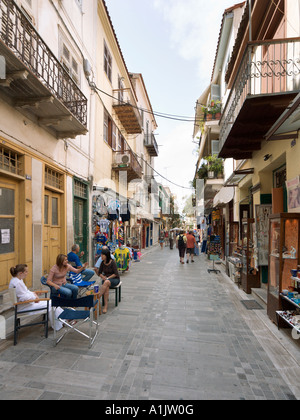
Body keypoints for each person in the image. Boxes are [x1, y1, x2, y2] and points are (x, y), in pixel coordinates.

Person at [9, 264, 63, 331]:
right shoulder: (17, 283)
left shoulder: (17, 280)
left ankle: (63, 320)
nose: (27, 273)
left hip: (26, 304)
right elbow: (23, 298)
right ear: (20, 273)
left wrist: (34, 294)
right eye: (26, 271)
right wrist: (34, 297)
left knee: (51, 303)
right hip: (25, 307)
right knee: (51, 304)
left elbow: (26, 292)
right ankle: (60, 323)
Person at [97, 248, 120, 314]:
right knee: (106, 286)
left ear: (106, 255)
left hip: (114, 279)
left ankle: (98, 297)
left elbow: (116, 274)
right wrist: (103, 277)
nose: (101, 256)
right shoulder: (102, 263)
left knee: (106, 282)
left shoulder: (112, 262)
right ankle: (105, 306)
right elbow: (99, 273)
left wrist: (108, 278)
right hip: (106, 280)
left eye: (102, 255)